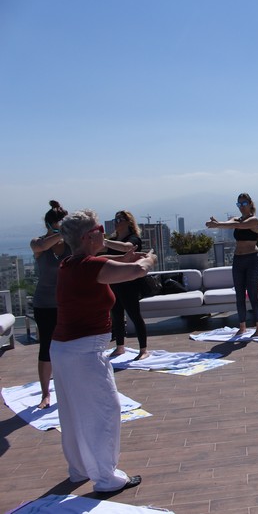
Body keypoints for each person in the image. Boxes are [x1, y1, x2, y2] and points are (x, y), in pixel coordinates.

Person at [50, 209, 157, 493]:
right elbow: (137, 272)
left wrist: (124, 258)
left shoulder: (70, 263)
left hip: (63, 349)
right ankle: (106, 477)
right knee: (104, 411)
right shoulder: (88, 266)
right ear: (88, 236)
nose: (104, 231)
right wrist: (148, 260)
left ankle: (80, 469)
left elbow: (108, 265)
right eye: (100, 228)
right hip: (83, 352)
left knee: (73, 413)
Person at [29, 200, 69, 410]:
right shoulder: (38, 243)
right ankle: (45, 394)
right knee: (47, 347)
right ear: (49, 225)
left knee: (70, 346)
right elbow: (42, 246)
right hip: (45, 304)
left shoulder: (71, 245)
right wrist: (60, 232)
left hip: (68, 303)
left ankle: (70, 387)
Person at [206, 193, 258, 337]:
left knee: (252, 295)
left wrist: (218, 224)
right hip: (238, 260)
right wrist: (218, 223)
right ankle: (242, 326)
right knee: (239, 295)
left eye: (244, 204)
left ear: (250, 204)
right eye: (239, 205)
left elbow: (239, 225)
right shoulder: (237, 219)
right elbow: (232, 224)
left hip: (252, 260)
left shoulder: (254, 220)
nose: (241, 207)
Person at [104, 210, 149, 360]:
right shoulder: (113, 238)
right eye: (115, 219)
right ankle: (120, 347)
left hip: (129, 282)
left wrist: (104, 241)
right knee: (116, 315)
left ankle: (143, 350)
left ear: (128, 222)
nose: (117, 222)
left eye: (120, 219)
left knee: (134, 315)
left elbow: (127, 248)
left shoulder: (134, 238)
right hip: (114, 281)